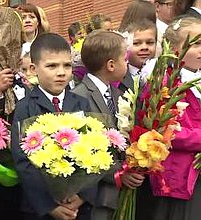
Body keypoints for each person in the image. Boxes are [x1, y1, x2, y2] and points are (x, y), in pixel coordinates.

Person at [11, 33, 91, 220]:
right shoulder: (25, 107)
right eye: (51, 66)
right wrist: (49, 206)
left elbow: (94, 152)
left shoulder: (81, 104)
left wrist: (82, 196)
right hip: (41, 209)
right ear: (33, 68)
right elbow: (23, 162)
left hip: (78, 207)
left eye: (67, 65)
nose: (61, 72)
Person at [148, 17, 201, 220]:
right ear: (176, 49)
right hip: (179, 177)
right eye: (196, 44)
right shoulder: (165, 83)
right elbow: (167, 130)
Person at [72, 30, 128, 220]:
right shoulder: (79, 96)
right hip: (94, 198)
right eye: (125, 58)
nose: (127, 63)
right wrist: (119, 172)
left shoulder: (118, 95)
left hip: (118, 194)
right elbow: (84, 151)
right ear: (111, 65)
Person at [119, 19, 157, 93]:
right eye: (136, 43)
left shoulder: (164, 73)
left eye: (150, 42)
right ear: (126, 46)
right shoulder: (119, 77)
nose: (144, 47)